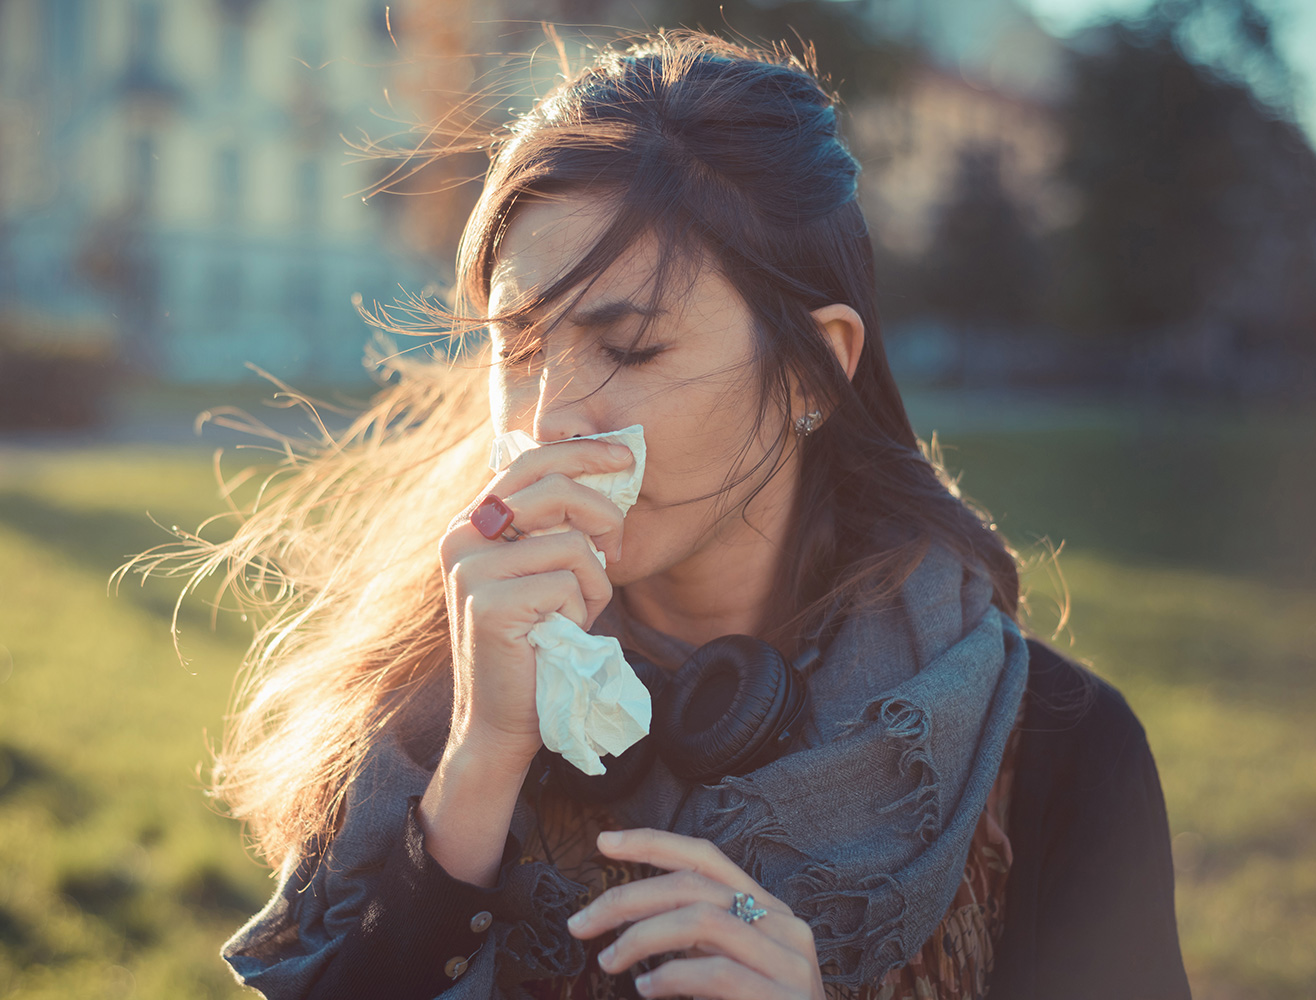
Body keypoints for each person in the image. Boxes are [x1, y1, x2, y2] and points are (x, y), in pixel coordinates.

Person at [143, 29, 1191, 1000]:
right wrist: (475, 768)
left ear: (813, 373)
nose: (550, 419)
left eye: (632, 346)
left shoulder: (1059, 752)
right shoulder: (435, 699)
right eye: (519, 350)